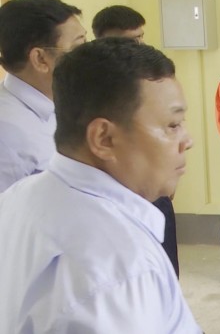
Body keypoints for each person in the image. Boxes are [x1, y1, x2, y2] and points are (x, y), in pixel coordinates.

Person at [0, 38, 200, 333]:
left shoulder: (18, 197)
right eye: (173, 125)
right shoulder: (120, 270)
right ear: (104, 138)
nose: (187, 140)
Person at [91, 4, 181, 278]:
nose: (139, 46)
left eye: (141, 37)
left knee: (165, 270)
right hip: (117, 195)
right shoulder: (89, 86)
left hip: (154, 191)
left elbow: (170, 126)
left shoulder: (153, 76)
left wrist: (168, 173)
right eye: (130, 41)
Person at [0, 0, 86, 192]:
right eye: (78, 48)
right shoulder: (7, 133)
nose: (89, 57)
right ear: (40, 59)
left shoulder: (60, 100)